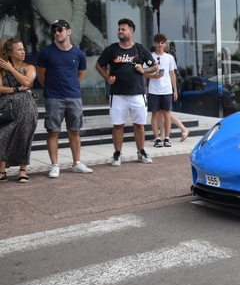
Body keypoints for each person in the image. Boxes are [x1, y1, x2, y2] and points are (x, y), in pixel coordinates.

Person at [95, 18, 157, 166]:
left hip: (137, 93)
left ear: (131, 32)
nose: (120, 31)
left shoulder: (140, 49)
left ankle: (141, 152)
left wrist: (144, 70)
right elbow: (98, 65)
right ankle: (117, 154)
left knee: (139, 124)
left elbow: (154, 66)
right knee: (117, 125)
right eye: (119, 29)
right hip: (117, 94)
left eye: (123, 29)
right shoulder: (112, 49)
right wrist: (107, 77)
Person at [36, 19, 93, 178]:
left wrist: (70, 87)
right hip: (53, 97)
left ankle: (77, 163)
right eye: (54, 31)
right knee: (53, 132)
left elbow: (79, 76)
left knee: (74, 131)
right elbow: (42, 76)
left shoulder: (79, 54)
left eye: (60, 29)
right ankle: (55, 165)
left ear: (69, 31)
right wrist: (52, 88)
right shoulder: (46, 52)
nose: (57, 33)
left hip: (74, 97)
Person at [0, 38, 38, 183]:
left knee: (24, 137)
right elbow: (0, 88)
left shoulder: (29, 67)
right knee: (2, 136)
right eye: (19, 49)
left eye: (23, 49)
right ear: (10, 52)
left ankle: (22, 170)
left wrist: (11, 69)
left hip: (27, 108)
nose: (23, 52)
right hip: (6, 108)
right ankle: (1, 171)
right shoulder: (1, 69)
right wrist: (16, 89)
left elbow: (27, 82)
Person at [143, 34, 178, 148]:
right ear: (155, 43)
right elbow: (144, 73)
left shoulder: (169, 57)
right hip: (154, 90)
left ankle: (167, 137)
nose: (160, 44)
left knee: (167, 114)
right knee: (155, 114)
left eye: (162, 42)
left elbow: (172, 74)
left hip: (167, 89)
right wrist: (154, 76)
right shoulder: (150, 57)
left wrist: (175, 90)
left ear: (165, 44)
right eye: (158, 42)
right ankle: (157, 138)